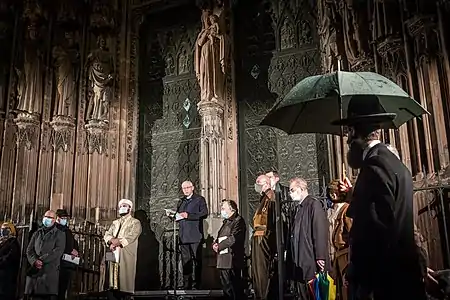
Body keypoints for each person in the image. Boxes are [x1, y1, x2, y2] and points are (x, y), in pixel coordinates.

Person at [332, 95, 427, 300]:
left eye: (348, 132)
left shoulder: (374, 166)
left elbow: (375, 230)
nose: (347, 140)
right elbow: (384, 208)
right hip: (396, 277)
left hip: (383, 282)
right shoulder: (392, 162)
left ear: (355, 130)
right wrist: (353, 196)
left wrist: (362, 279)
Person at [288, 177, 329, 300]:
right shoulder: (299, 207)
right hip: (300, 258)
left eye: (292, 190)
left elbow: (319, 230)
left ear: (301, 189)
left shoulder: (313, 204)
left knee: (313, 293)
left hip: (310, 257)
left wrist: (320, 255)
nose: (290, 193)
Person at [102, 199, 142, 300]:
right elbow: (107, 234)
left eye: (125, 206)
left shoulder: (135, 222)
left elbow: (132, 235)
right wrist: (111, 241)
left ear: (130, 208)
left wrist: (118, 242)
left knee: (123, 283)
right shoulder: (115, 222)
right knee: (111, 281)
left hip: (125, 252)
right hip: (113, 252)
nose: (122, 208)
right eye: (121, 206)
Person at [25, 210, 66, 300]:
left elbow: (57, 251)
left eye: (50, 217)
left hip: (48, 274)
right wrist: (34, 261)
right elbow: (29, 250)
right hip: (34, 273)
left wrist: (41, 260)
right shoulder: (37, 233)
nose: (46, 219)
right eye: (46, 216)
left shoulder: (60, 234)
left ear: (54, 220)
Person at [176, 180, 208, 289]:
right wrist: (173, 216)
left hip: (195, 235)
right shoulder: (181, 201)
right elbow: (179, 214)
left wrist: (188, 215)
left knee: (197, 260)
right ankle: (187, 284)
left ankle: (198, 284)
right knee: (186, 261)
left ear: (192, 188)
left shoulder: (199, 200)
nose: (185, 190)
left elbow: (204, 213)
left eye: (187, 188)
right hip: (183, 236)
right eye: (183, 188)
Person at [213, 199, 246, 300]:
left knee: (232, 287)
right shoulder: (226, 222)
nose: (221, 210)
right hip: (223, 258)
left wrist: (220, 246)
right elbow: (221, 235)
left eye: (223, 208)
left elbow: (233, 238)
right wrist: (215, 243)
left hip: (231, 259)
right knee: (226, 286)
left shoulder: (238, 220)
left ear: (231, 209)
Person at [252, 174, 277, 300]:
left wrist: (268, 236)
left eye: (259, 182)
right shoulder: (264, 198)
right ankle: (259, 293)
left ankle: (263, 295)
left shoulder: (270, 196)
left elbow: (271, 220)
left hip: (264, 236)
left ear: (266, 183)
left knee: (262, 269)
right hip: (258, 236)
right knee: (257, 270)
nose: (256, 185)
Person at [55, 209, 79, 300]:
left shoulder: (67, 230)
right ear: (57, 218)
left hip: (67, 264)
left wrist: (75, 250)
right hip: (58, 264)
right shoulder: (54, 229)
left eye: (65, 218)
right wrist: (69, 250)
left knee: (63, 288)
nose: (64, 220)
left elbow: (74, 242)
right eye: (62, 218)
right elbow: (57, 244)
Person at [0, 222, 20, 300]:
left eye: (5, 229)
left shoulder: (13, 243)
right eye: (2, 229)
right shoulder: (2, 242)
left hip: (7, 278)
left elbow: (9, 258)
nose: (3, 231)